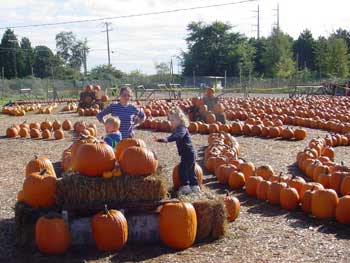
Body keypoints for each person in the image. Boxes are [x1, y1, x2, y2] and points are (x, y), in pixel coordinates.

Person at [154, 107, 201, 195]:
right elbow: (174, 135)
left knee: (182, 170)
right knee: (190, 170)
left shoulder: (181, 129)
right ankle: (195, 186)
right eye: (170, 120)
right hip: (190, 153)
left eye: (173, 120)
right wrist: (162, 139)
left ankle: (185, 187)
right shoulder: (179, 128)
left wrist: (167, 139)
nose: (171, 122)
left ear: (180, 119)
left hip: (188, 153)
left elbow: (178, 136)